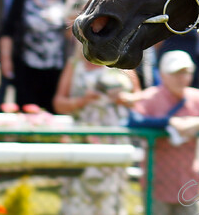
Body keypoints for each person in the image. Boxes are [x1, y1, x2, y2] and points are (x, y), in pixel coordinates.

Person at [131, 51, 199, 215]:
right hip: (157, 184)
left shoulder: (197, 97)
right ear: (163, 74)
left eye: (186, 73)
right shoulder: (150, 97)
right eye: (176, 73)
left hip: (188, 183)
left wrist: (196, 122)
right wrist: (167, 123)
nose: (182, 78)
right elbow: (133, 122)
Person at [53, 45, 138, 215]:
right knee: (79, 196)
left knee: (111, 198)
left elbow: (140, 100)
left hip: (115, 140)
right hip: (83, 140)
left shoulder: (124, 62)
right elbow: (58, 103)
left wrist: (125, 99)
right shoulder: (75, 64)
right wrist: (82, 101)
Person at [0, 0, 67, 113]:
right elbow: (7, 31)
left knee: (51, 113)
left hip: (54, 67)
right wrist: (6, 59)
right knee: (27, 111)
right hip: (27, 66)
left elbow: (67, 33)